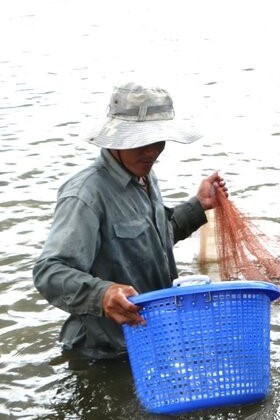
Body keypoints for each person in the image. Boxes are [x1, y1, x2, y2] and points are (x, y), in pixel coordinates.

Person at [33, 82, 227, 360]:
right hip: (102, 352)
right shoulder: (86, 194)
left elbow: (154, 240)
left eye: (157, 141)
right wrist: (103, 294)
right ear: (115, 140)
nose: (151, 152)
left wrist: (198, 206)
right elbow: (48, 272)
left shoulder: (144, 177)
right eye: (140, 142)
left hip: (148, 337)